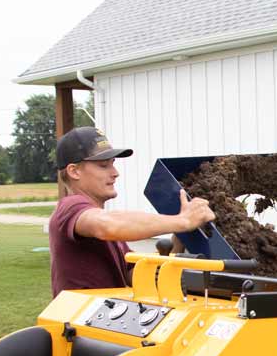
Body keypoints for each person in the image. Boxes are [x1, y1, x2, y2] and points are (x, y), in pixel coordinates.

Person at [48, 126, 215, 296]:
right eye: (104, 165)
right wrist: (182, 221)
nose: (115, 173)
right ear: (74, 171)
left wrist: (180, 240)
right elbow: (107, 225)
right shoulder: (70, 207)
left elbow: (132, 274)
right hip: (76, 319)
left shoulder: (108, 232)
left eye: (113, 164)